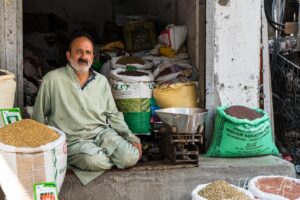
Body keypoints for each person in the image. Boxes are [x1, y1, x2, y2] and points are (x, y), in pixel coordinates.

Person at [32, 32, 142, 185]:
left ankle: (102, 156)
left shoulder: (102, 82)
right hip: (72, 140)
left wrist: (130, 137)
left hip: (102, 135)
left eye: (88, 52)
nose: (84, 56)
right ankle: (83, 158)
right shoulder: (52, 80)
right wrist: (44, 151)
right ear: (68, 55)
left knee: (131, 156)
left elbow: (113, 115)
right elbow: (38, 117)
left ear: (92, 57)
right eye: (79, 51)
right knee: (92, 160)